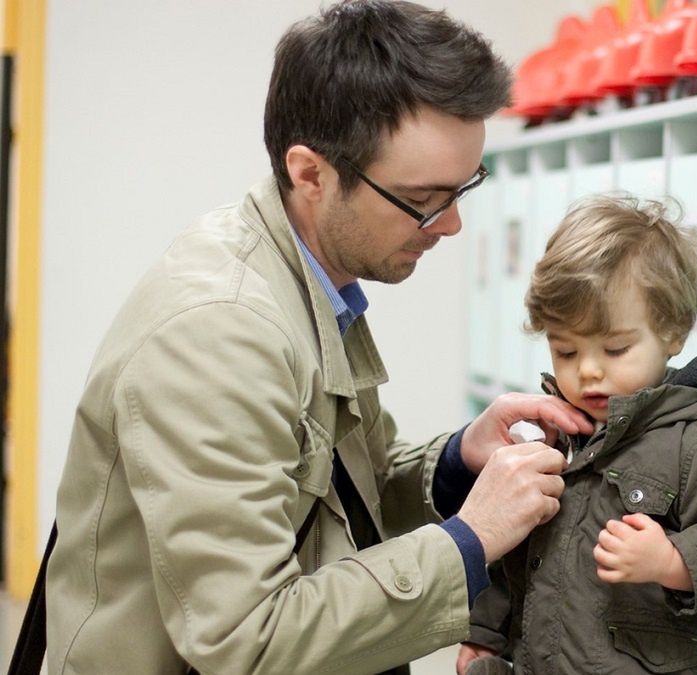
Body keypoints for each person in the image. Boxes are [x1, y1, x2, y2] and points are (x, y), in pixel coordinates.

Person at [44, 2, 592, 673]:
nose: (449, 227)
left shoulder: (310, 281)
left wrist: (456, 461)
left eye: (462, 189)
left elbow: (338, 490)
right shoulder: (218, 332)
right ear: (311, 174)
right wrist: (470, 541)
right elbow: (251, 638)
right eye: (424, 199)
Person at [456, 196, 697, 674]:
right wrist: (484, 633)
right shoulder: (557, 436)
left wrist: (672, 560)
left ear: (673, 331)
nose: (588, 372)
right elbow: (518, 551)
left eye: (615, 348)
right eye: (565, 351)